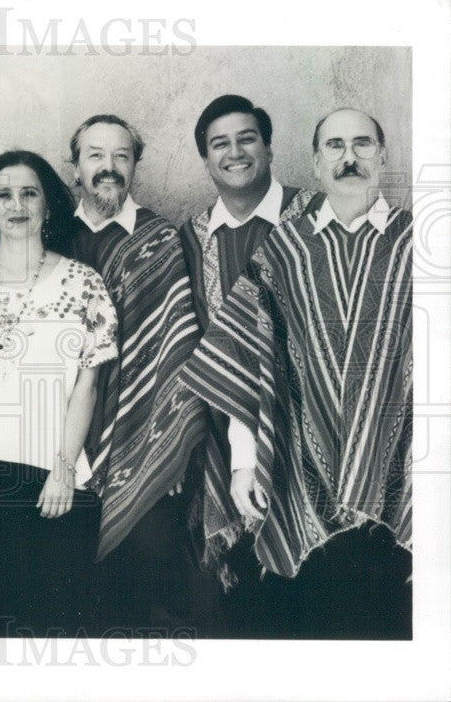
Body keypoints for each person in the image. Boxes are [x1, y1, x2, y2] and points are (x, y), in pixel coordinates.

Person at [180, 108, 412, 638]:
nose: (349, 158)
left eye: (362, 144)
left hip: (401, 468)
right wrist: (243, 463)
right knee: (311, 617)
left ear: (383, 154)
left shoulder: (418, 244)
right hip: (295, 467)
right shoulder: (286, 248)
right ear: (315, 160)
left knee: (390, 624)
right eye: (334, 146)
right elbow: (248, 356)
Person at [0, 150, 118, 636]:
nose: (16, 205)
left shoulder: (83, 283)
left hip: (48, 482)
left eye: (29, 192)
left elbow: (89, 382)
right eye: (4, 194)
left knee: (45, 633)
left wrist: (64, 465)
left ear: (47, 206)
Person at [67, 114, 215, 632]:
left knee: (140, 579)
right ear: (75, 166)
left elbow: (175, 349)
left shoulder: (158, 239)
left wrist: (169, 443)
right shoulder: (50, 239)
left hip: (144, 436)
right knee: (72, 587)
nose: (109, 168)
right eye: (95, 155)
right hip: (59, 440)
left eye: (122, 156)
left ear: (135, 165)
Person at [178, 95, 314, 635]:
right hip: (222, 439)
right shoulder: (192, 237)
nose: (235, 152)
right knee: (242, 611)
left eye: (247, 137)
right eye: (220, 144)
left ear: (269, 146)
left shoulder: (314, 216)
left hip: (311, 432)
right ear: (206, 160)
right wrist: (238, 452)